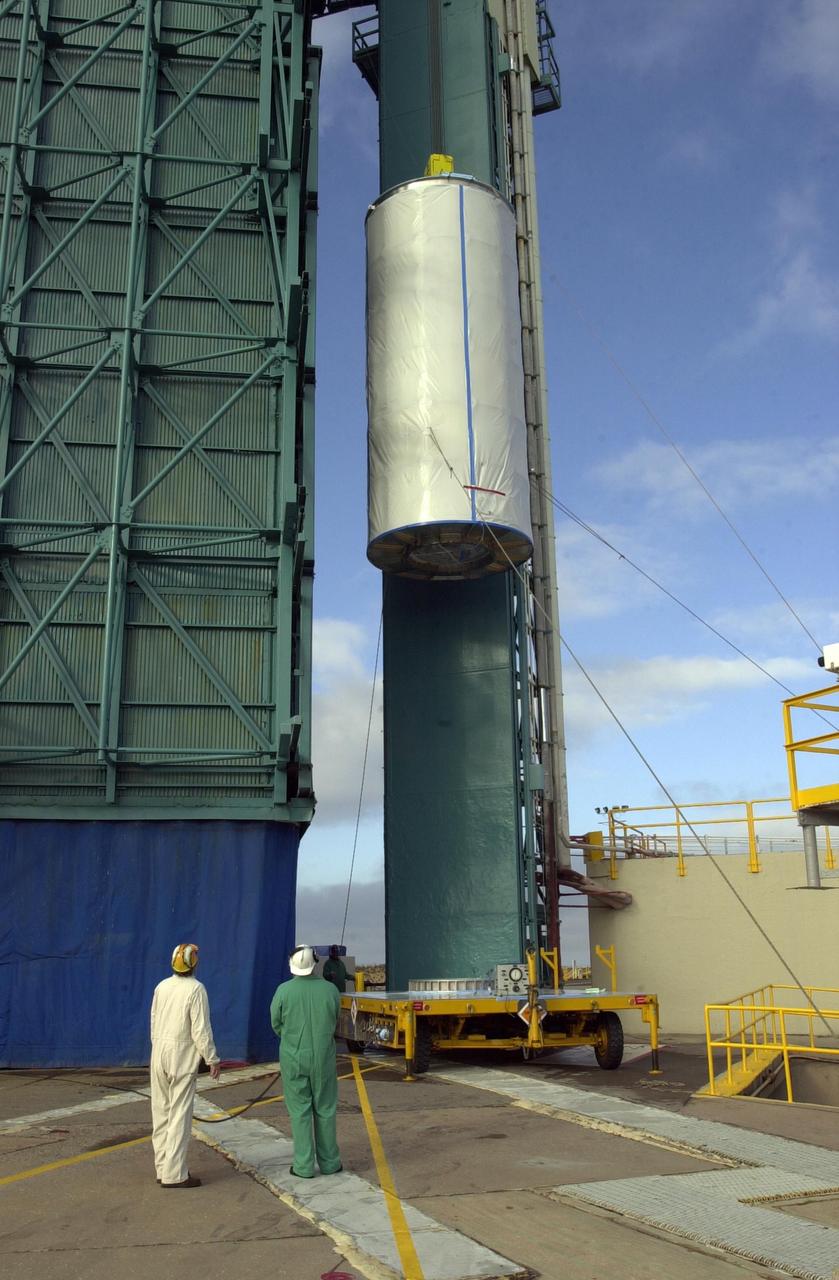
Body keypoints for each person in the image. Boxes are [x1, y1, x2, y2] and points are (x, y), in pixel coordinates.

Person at [150, 943, 221, 1189]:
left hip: (158, 1053)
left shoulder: (161, 986)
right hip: (181, 1056)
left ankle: (162, 1168)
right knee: (179, 1115)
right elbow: (200, 1029)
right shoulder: (196, 989)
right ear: (194, 964)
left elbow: (154, 1019)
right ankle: (174, 1174)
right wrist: (211, 1058)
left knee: (161, 1112)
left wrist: (157, 1048)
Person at [270, 944, 343, 1178]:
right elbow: (336, 1018)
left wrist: (291, 1040)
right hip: (323, 1057)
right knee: (325, 1108)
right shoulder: (330, 990)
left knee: (299, 1111)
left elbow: (276, 1023)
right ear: (315, 963)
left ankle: (303, 1166)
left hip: (293, 1057)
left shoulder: (283, 991)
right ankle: (330, 1163)